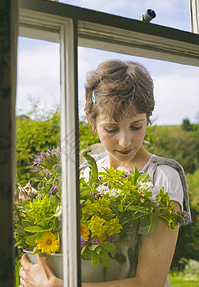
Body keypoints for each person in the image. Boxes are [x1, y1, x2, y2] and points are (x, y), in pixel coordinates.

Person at [19, 59, 190, 287]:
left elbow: (150, 282)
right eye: (111, 128)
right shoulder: (83, 175)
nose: (125, 141)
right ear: (92, 122)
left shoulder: (163, 177)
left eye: (136, 126)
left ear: (148, 117)